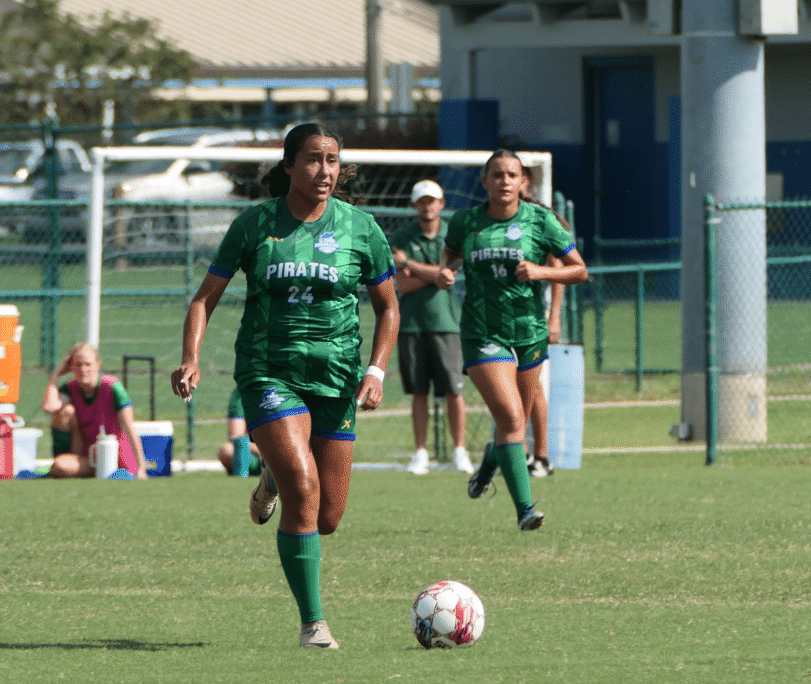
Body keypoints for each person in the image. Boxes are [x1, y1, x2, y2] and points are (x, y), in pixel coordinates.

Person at [170, 122, 399, 649]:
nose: (325, 171)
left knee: (328, 518)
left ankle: (269, 477)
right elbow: (204, 298)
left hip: (337, 377)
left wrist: (376, 369)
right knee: (304, 487)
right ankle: (313, 623)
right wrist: (190, 358)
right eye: (314, 159)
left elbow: (388, 306)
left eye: (334, 160)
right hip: (269, 371)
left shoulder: (361, 228)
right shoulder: (254, 225)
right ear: (290, 165)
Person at [436, 149, 588, 531]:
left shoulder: (541, 221)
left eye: (512, 175)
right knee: (513, 417)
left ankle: (491, 459)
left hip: (529, 332)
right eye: (497, 175)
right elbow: (450, 254)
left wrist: (538, 271)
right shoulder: (467, 221)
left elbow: (579, 270)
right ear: (485, 182)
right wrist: (446, 271)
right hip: (483, 332)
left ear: (523, 183)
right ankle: (525, 510)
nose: (505, 181)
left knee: (512, 425)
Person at [390, 179, 473, 475]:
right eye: (422, 201)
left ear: (441, 204)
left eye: (432, 200)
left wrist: (410, 264)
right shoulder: (401, 236)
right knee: (418, 392)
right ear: (415, 205)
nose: (428, 206)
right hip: (411, 324)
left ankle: (460, 451)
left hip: (446, 323)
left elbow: (447, 276)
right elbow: (403, 284)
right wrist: (433, 275)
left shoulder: (453, 234)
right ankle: (420, 452)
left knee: (453, 390)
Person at [519, 166, 567, 478]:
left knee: (531, 383)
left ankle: (536, 453)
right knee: (518, 383)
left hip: (535, 315)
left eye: (517, 176)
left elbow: (560, 270)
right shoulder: (497, 220)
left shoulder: (541, 217)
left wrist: (554, 319)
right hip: (506, 315)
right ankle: (522, 451)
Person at [40, 342, 149, 479]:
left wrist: (141, 468)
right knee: (65, 413)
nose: (83, 369)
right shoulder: (70, 388)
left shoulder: (112, 387)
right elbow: (49, 407)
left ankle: (107, 471)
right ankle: (87, 471)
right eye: (78, 365)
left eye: (87, 364)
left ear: (98, 365)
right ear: (71, 367)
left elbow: (129, 428)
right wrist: (56, 374)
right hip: (89, 458)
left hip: (115, 456)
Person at [217, 386, 262, 476]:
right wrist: (261, 451)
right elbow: (237, 437)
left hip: (281, 449)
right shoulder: (241, 392)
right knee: (227, 451)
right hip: (256, 454)